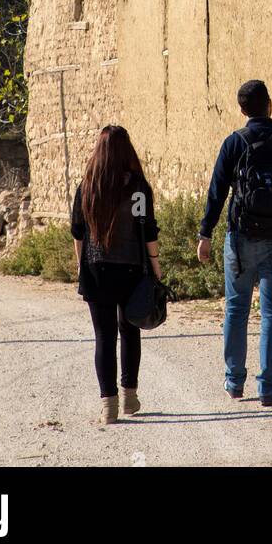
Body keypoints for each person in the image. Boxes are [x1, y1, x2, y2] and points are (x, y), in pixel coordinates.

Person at [197, 79, 272, 405]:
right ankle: (267, 388)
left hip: (240, 238)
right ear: (270, 105)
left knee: (236, 309)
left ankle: (234, 383)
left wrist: (205, 234)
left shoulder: (234, 143)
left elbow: (217, 192)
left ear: (242, 110)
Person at [71, 124, 160, 425]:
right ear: (127, 151)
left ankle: (108, 405)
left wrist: (80, 266)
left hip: (97, 270)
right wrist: (157, 269)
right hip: (132, 269)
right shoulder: (137, 188)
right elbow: (147, 231)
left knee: (103, 336)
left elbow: (78, 232)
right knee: (129, 330)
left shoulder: (88, 187)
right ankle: (130, 396)